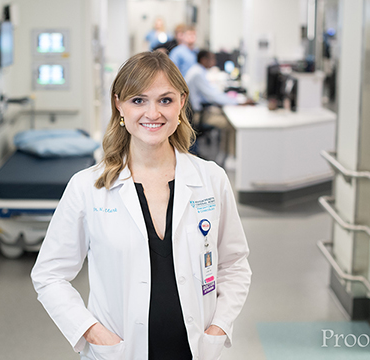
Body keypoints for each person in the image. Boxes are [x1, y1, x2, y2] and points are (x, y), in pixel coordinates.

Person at [31, 51, 252, 360]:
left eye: (165, 100)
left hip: (195, 349)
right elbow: (49, 274)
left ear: (181, 103)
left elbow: (234, 264)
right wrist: (91, 331)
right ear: (119, 104)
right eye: (138, 100)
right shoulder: (87, 188)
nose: (153, 113)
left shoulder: (211, 179)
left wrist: (219, 327)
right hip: (119, 351)